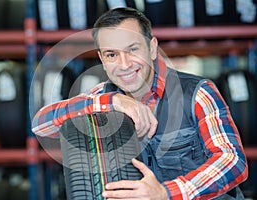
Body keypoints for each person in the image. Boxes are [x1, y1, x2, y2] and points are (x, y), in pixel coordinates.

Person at [32, 7, 248, 199]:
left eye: (133, 49)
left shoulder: (197, 93)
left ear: (152, 48)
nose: (124, 64)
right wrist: (114, 101)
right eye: (112, 54)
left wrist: (166, 193)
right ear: (102, 60)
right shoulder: (102, 98)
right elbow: (41, 124)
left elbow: (233, 162)